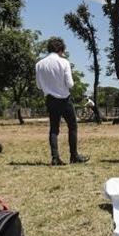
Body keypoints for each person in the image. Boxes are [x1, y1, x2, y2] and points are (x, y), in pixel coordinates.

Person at [36, 37, 88, 165]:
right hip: (64, 99)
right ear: (61, 49)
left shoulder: (39, 64)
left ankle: (55, 157)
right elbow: (70, 84)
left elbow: (39, 85)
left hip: (50, 99)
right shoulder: (64, 62)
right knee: (72, 126)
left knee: (54, 129)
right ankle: (74, 156)